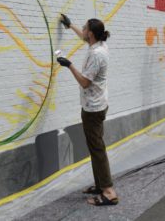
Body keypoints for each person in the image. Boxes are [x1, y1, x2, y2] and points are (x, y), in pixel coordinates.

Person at [57, 14, 118, 206]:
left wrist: (69, 65)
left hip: (93, 108)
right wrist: (70, 25)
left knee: (97, 149)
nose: (82, 31)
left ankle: (108, 192)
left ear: (91, 34)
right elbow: (83, 37)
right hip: (97, 104)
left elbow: (84, 82)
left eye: (84, 28)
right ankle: (101, 185)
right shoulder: (98, 45)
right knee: (95, 147)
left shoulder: (96, 54)